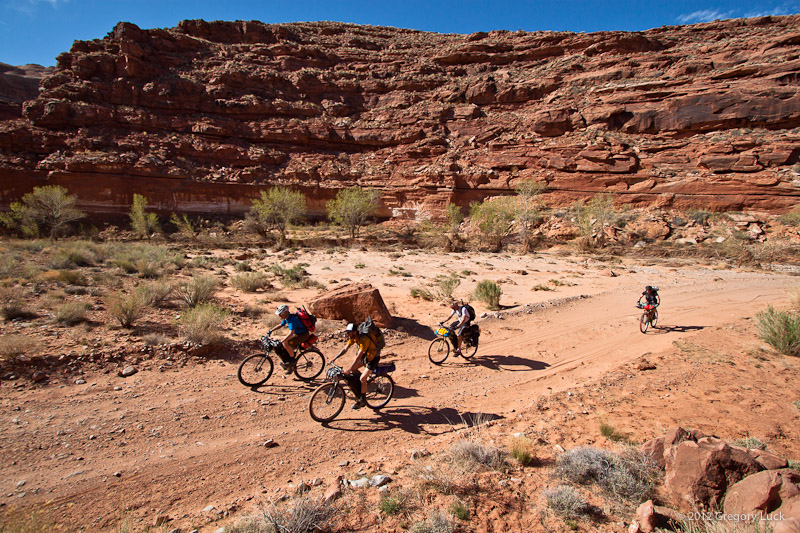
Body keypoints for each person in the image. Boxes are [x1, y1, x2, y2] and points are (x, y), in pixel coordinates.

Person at [334, 322, 382, 409]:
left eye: (349, 333)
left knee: (362, 378)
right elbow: (345, 348)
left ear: (355, 332)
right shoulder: (353, 338)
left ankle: (362, 400)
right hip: (366, 357)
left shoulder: (363, 339)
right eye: (347, 333)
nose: (348, 335)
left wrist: (350, 368)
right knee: (354, 371)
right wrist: (335, 358)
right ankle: (363, 385)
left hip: (373, 358)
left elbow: (359, 354)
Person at [268, 304, 311, 373]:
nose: (279, 316)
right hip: (298, 334)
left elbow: (291, 334)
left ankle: (292, 360)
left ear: (285, 313)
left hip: (303, 335)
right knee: (283, 345)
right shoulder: (287, 318)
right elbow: (280, 325)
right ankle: (290, 366)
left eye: (280, 314)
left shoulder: (292, 320)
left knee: (286, 343)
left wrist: (282, 340)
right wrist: (271, 330)